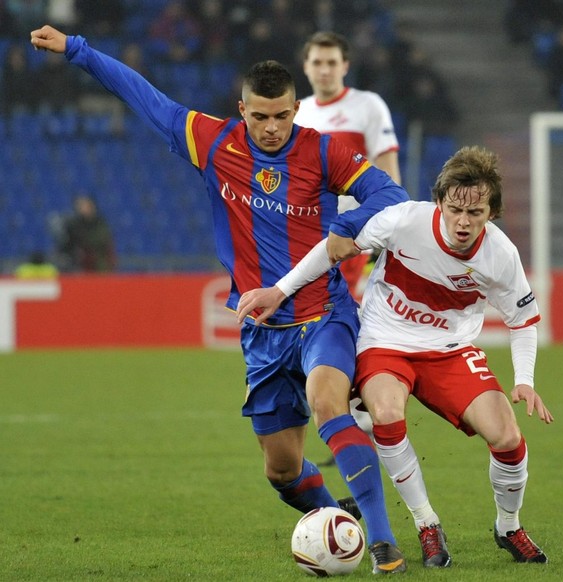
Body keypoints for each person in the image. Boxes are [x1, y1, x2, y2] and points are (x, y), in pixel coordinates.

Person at [30, 24, 411, 574]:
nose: (273, 127)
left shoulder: (324, 151)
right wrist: (78, 51)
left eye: (283, 116)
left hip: (321, 312)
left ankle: (381, 541)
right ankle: (336, 521)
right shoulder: (212, 141)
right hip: (261, 330)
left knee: (328, 401)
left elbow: (392, 195)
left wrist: (343, 227)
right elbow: (142, 95)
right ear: (242, 109)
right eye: (260, 117)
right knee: (282, 471)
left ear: (296, 109)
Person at [237, 145, 554, 567]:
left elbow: (522, 320)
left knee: (508, 436)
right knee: (385, 412)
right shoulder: (405, 221)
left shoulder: (501, 255)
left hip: (449, 349)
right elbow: (332, 249)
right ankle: (426, 524)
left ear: (491, 213)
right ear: (439, 201)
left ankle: (509, 527)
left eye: (475, 213)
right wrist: (280, 290)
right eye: (454, 209)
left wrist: (525, 380)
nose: (463, 222)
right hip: (384, 341)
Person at [295, 31, 401, 302]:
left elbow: (387, 168)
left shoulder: (367, 106)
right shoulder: (299, 113)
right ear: (306, 66)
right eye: (318, 63)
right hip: (310, 229)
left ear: (345, 66)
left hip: (355, 229)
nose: (324, 70)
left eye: (331, 63)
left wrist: (390, 224)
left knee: (344, 305)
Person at [57, 194, 116, 273]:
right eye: (79, 206)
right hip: (81, 266)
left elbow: (97, 240)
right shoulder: (75, 224)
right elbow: (68, 244)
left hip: (99, 266)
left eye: (84, 206)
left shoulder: (100, 224)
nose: (81, 209)